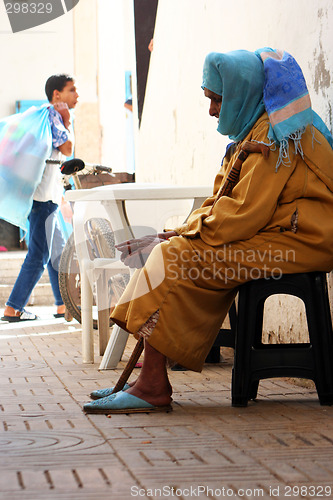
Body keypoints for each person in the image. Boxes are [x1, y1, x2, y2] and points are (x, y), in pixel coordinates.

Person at [84, 48, 333, 414]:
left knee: (174, 257)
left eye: (217, 99)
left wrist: (183, 237)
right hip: (280, 233)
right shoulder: (257, 128)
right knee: (172, 251)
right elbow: (224, 203)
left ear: (241, 92)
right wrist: (180, 231)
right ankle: (147, 381)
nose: (213, 110)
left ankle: (151, 384)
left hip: (304, 242)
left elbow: (243, 214)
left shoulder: (272, 134)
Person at [1, 74, 79, 322]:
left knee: (56, 252)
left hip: (48, 197)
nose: (77, 95)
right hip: (43, 199)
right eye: (72, 90)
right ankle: (14, 307)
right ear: (57, 95)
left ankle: (61, 304)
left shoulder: (44, 117)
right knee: (39, 254)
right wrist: (67, 120)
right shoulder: (54, 116)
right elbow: (67, 149)